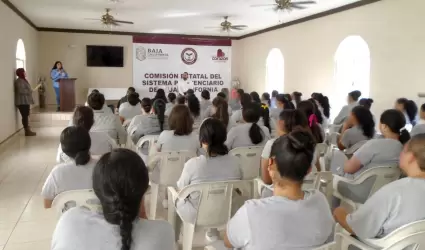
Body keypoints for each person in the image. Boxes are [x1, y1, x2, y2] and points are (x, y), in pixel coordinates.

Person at [224, 130, 334, 249]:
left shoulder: (251, 212)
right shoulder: (320, 202)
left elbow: (228, 241)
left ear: (270, 164)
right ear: (308, 170)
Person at [51, 149, 175, 250]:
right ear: (144, 191)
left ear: (96, 190)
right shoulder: (163, 232)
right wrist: (140, 211)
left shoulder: (69, 222)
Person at [334, 133, 425, 242]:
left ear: (411, 157)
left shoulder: (395, 192)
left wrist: (339, 213)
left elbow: (357, 227)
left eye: (404, 151)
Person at [175, 118, 242, 241]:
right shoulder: (236, 161)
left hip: (197, 215)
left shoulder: (193, 164)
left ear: (202, 140)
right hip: (227, 210)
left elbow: (181, 189)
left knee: (177, 197)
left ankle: (175, 238)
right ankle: (212, 231)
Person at [341, 109, 410, 179]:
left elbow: (349, 169)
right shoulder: (406, 148)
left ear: (384, 126)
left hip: (360, 187)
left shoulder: (374, 144)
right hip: (387, 187)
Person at [261, 109, 321, 186]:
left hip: (277, 193)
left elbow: (267, 180)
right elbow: (319, 171)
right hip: (309, 192)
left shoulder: (272, 144)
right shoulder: (311, 144)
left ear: (280, 123)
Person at [42, 126, 96, 208]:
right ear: (89, 144)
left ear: (63, 149)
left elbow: (47, 204)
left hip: (68, 219)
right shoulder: (104, 167)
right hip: (99, 219)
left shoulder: (57, 172)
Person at [14, 68, 40, 136]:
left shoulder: (23, 80)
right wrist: (30, 91)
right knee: (24, 116)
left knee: (26, 115)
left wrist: (30, 90)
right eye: (24, 72)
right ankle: (27, 131)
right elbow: (21, 91)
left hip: (25, 101)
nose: (25, 73)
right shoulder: (19, 81)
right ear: (21, 73)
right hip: (22, 102)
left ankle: (28, 130)